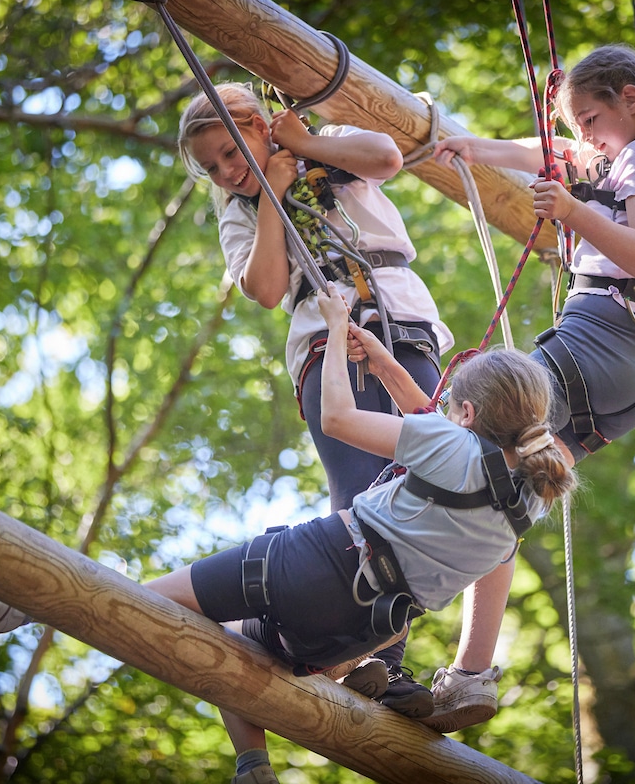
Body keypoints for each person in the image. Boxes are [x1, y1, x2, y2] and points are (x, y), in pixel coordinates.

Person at [0, 283, 578, 784]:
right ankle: (252, 766)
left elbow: (341, 418)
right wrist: (382, 357)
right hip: (357, 631)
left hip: (309, 562)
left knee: (141, 599)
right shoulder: (522, 515)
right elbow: (429, 421)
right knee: (231, 649)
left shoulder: (443, 444)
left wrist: (339, 328)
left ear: (465, 412)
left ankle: (15, 606)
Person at [423, 44, 635, 732]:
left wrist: (573, 213)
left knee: (475, 406)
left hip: (598, 338)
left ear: (631, 99)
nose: (584, 136)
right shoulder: (619, 152)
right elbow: (543, 150)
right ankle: (470, 675)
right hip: (621, 371)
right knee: (507, 501)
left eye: (592, 118)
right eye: (577, 124)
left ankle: (377, 591)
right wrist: (470, 146)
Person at [175, 83, 454, 719]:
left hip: (401, 328)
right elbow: (267, 287)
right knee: (365, 497)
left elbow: (386, 158)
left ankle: (375, 654)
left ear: (258, 124)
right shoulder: (239, 210)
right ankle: (376, 658)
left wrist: (298, 144)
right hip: (329, 345)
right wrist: (269, 189)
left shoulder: (323, 152)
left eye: (230, 150)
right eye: (213, 166)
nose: (226, 170)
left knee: (424, 488)